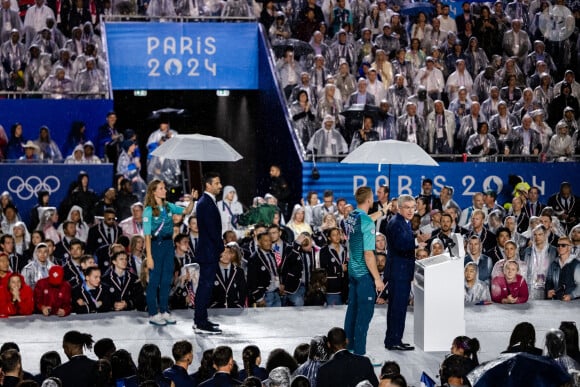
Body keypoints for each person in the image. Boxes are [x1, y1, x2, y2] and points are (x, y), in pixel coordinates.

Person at [143, 179, 195, 326]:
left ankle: (164, 310)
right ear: (154, 191)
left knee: (166, 279)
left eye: (164, 188)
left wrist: (192, 200)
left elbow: (186, 211)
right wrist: (149, 257)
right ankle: (153, 313)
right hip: (155, 245)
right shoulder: (148, 210)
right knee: (154, 281)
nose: (165, 190)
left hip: (168, 245)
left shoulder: (168, 206)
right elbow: (146, 235)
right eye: (161, 188)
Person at [343, 186, 384, 356]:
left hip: (353, 273)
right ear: (369, 200)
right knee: (363, 317)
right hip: (365, 276)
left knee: (352, 312)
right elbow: (368, 254)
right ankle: (359, 355)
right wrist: (377, 279)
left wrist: (383, 212)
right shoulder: (366, 221)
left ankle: (348, 348)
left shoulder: (352, 216)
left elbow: (366, 219)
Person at [384, 195, 416, 351]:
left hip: (400, 272)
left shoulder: (403, 222)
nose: (411, 211)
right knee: (397, 308)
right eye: (407, 207)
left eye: (413, 207)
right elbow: (402, 246)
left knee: (397, 308)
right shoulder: (397, 223)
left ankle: (394, 339)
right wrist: (417, 241)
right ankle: (394, 340)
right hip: (399, 273)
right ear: (400, 208)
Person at [194, 172, 224, 334]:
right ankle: (200, 321)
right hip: (208, 251)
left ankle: (201, 318)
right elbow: (213, 230)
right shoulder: (205, 203)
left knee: (205, 286)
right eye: (217, 183)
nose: (220, 186)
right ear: (208, 185)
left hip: (208, 251)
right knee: (205, 287)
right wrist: (220, 247)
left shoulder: (207, 202)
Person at [546, 236, 580, 301]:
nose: (560, 247)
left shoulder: (576, 264)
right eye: (558, 245)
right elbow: (549, 281)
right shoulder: (553, 264)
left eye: (563, 245)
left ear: (570, 247)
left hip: (573, 304)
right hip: (556, 302)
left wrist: (571, 295)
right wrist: (549, 290)